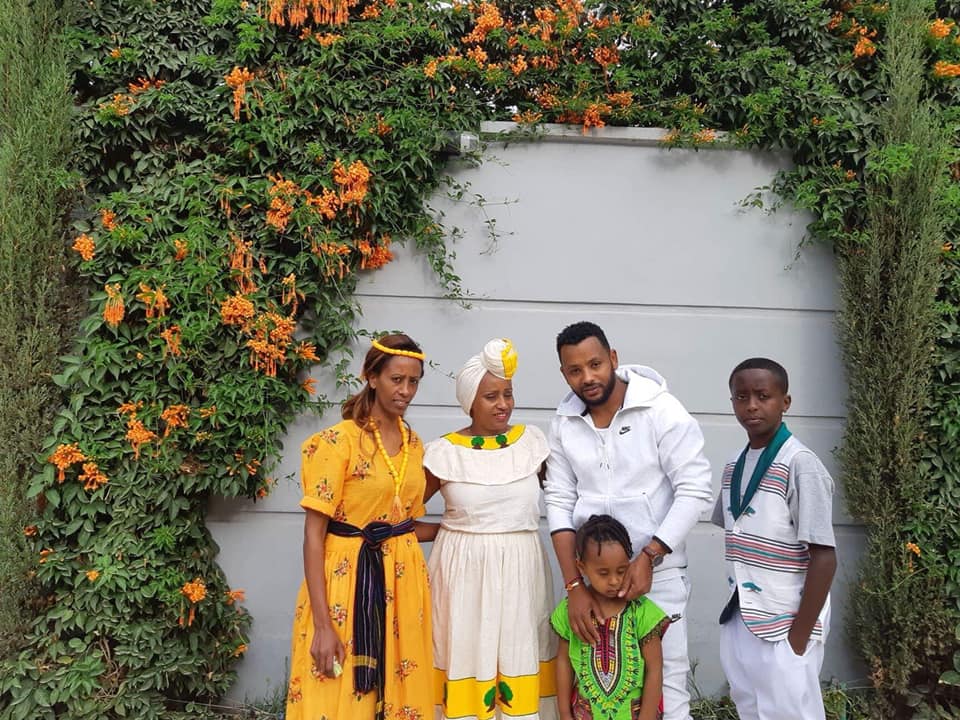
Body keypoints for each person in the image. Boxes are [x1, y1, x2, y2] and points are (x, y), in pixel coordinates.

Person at [544, 321, 712, 720]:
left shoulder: (661, 410)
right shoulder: (564, 423)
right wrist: (575, 585)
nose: (587, 377)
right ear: (564, 373)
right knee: (594, 694)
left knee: (667, 691)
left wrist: (650, 554)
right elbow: (559, 500)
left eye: (595, 364)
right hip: (592, 584)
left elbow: (695, 489)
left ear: (613, 359)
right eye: (575, 370)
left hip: (658, 576)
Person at [285, 334, 435, 720]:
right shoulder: (338, 443)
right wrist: (323, 625)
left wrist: (462, 528)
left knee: (401, 692)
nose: (406, 391)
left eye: (413, 381)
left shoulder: (414, 444)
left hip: (402, 588)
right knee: (337, 692)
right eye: (396, 379)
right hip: (347, 585)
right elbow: (313, 535)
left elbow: (405, 526)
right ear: (371, 377)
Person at [423, 338, 558, 720]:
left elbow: (564, 499)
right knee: (464, 648)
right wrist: (450, 529)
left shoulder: (531, 445)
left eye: (507, 394)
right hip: (461, 575)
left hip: (522, 571)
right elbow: (398, 515)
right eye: (491, 396)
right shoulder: (443, 453)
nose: (503, 404)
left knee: (520, 646)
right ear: (470, 401)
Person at [712, 357, 836, 720]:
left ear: (785, 402)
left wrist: (798, 637)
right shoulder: (734, 465)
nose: (751, 405)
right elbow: (736, 525)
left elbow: (824, 556)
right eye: (741, 397)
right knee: (750, 707)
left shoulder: (800, 464)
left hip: (787, 621)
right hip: (744, 615)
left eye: (763, 396)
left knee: (791, 713)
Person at [551, 514, 669, 720]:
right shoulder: (571, 611)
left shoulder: (642, 611)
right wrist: (564, 713)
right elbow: (563, 662)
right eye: (603, 573)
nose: (614, 581)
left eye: (621, 571)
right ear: (581, 567)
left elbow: (654, 669)